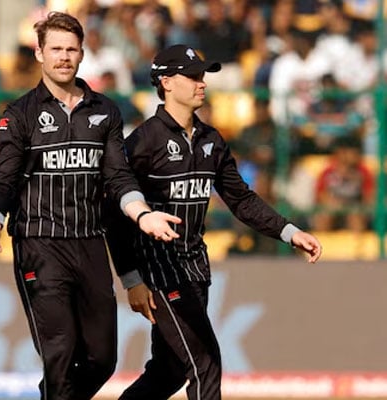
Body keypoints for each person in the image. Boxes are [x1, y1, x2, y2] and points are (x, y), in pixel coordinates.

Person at [0, 11, 180, 400]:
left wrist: (142, 214)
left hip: (90, 244)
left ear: (82, 55)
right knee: (59, 355)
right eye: (56, 49)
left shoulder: (105, 112)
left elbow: (118, 178)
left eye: (71, 50)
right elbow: (2, 178)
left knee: (101, 358)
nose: (64, 57)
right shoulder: (19, 115)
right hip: (39, 245)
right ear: (40, 54)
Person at [104, 44, 323, 400]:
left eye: (202, 76)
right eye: (192, 77)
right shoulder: (142, 142)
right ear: (166, 82)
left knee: (170, 369)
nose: (201, 84)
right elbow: (113, 211)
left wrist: (289, 231)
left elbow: (241, 199)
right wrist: (131, 279)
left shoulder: (211, 139)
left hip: (195, 268)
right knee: (205, 362)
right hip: (159, 270)